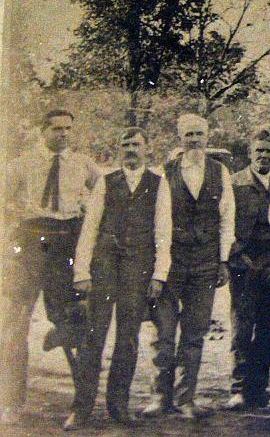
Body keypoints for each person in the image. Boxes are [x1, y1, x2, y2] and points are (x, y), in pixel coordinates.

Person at [62, 127, 168, 429]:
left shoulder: (158, 184)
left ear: (146, 149)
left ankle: (118, 406)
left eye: (136, 144)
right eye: (126, 145)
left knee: (128, 339)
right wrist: (81, 272)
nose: (131, 149)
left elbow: (163, 233)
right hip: (105, 268)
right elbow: (90, 229)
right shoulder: (107, 182)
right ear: (119, 149)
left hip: (138, 269)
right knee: (93, 337)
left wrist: (159, 274)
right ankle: (81, 408)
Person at [0, 109, 101, 426]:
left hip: (64, 246)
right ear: (43, 131)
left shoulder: (82, 163)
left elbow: (104, 194)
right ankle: (12, 404)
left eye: (68, 129)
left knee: (73, 325)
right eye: (57, 129)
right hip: (29, 244)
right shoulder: (22, 164)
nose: (63, 135)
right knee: (15, 327)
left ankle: (80, 406)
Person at [143, 113, 236, 420]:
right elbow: (156, 223)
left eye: (199, 134)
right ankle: (160, 397)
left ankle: (186, 399)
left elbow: (226, 219)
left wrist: (223, 260)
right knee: (164, 332)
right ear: (179, 138)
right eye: (189, 135)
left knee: (194, 333)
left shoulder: (220, 172)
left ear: (207, 137)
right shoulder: (163, 173)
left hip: (206, 263)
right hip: (172, 263)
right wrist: (158, 265)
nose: (194, 140)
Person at [225, 129, 270, 411]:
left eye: (268, 151)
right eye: (259, 151)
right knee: (242, 327)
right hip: (245, 262)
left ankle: (259, 388)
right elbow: (224, 223)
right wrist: (236, 255)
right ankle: (239, 389)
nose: (264, 156)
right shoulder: (234, 184)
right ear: (250, 153)